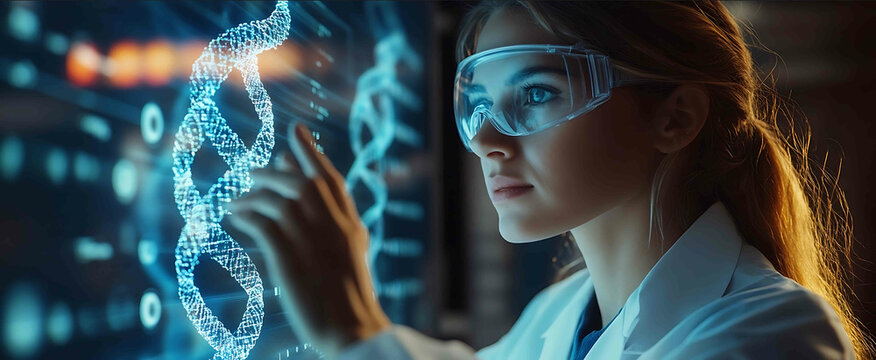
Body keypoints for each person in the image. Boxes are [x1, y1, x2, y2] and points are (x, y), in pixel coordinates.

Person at [226, 1, 874, 359]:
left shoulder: (773, 336)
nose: (485, 138)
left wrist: (355, 337)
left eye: (535, 93)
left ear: (675, 118)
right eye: (475, 102)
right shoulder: (562, 314)